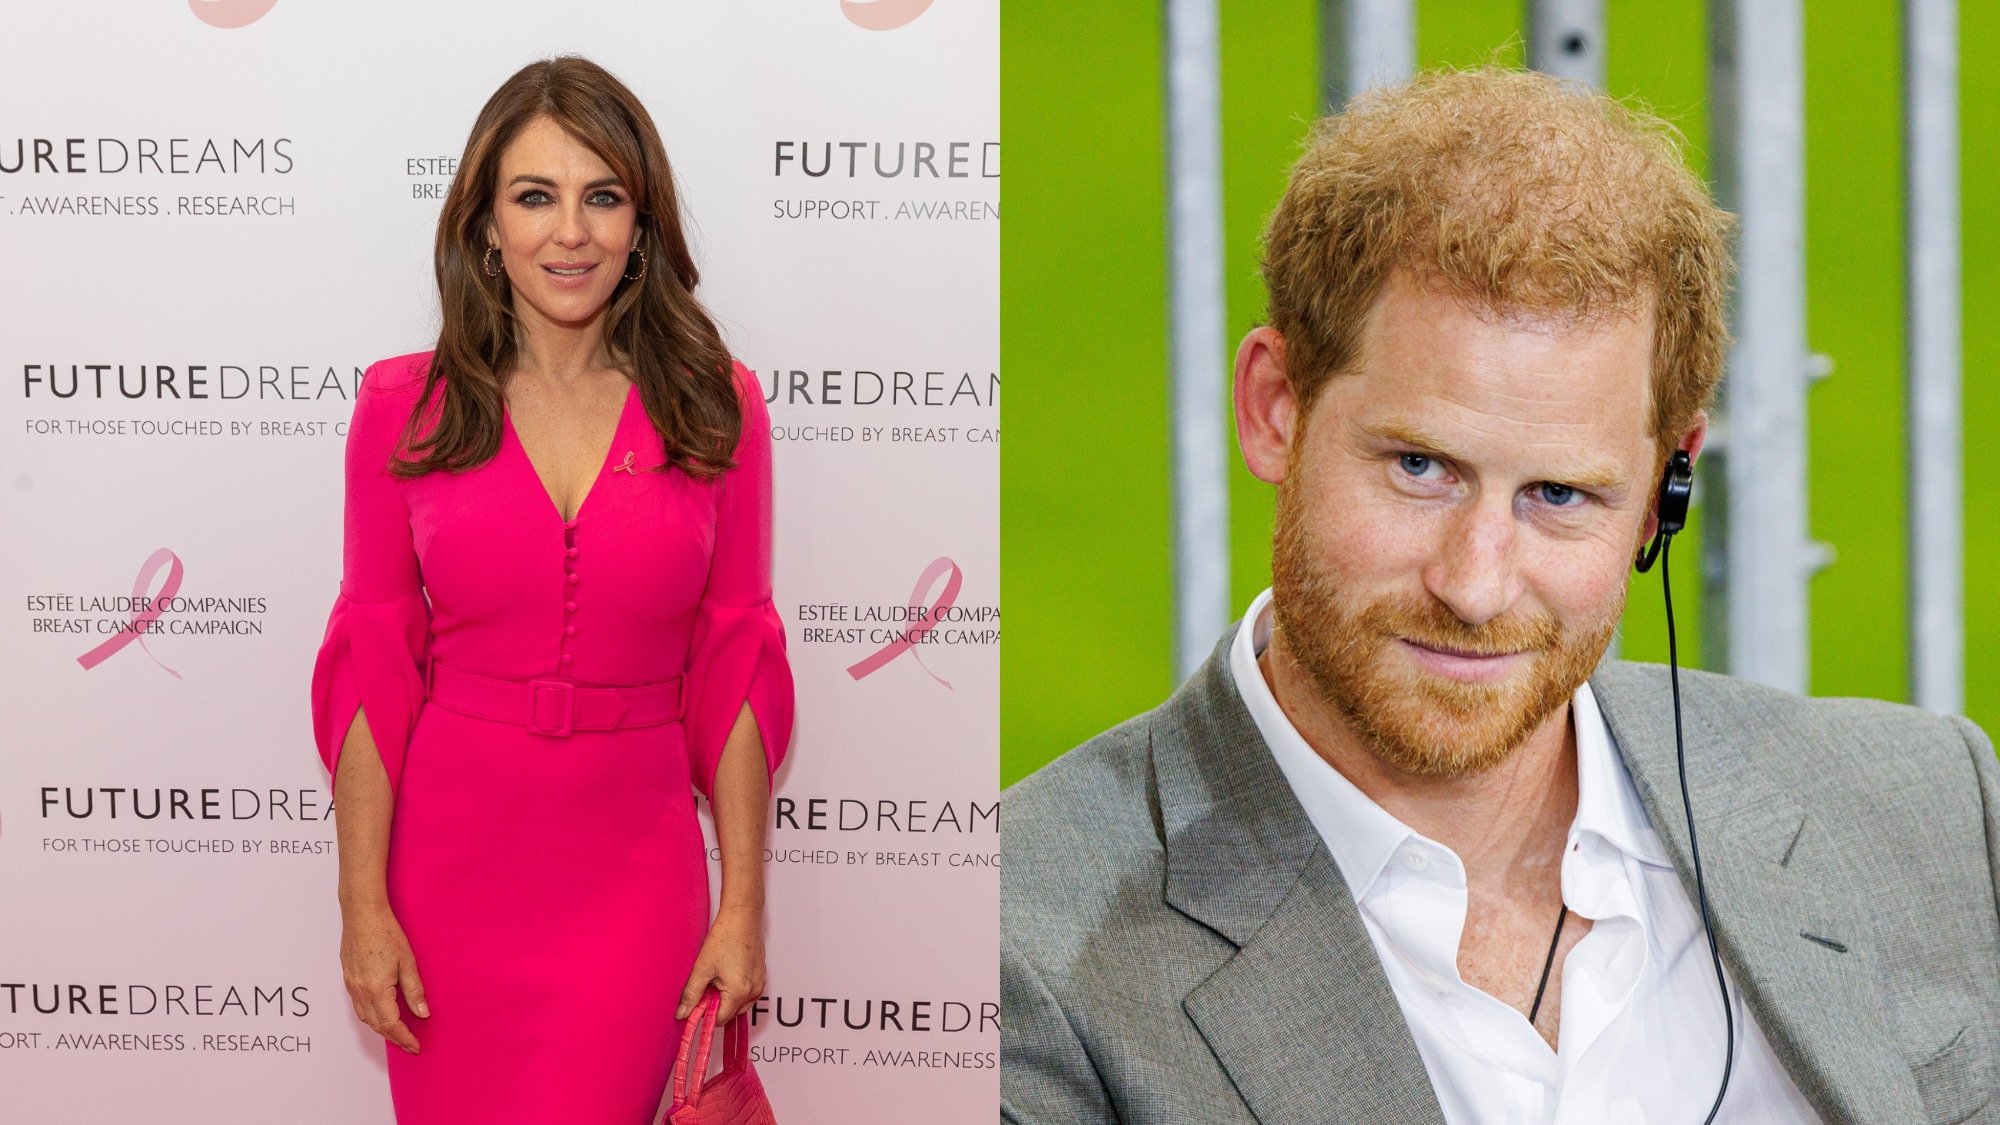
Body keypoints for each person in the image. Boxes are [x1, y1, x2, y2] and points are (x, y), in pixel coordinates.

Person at [1000, 68, 2000, 1125]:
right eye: (1418, 468)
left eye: (1558, 495)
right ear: (1274, 407)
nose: (1473, 584)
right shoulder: (1010, 942)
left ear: (1669, 482)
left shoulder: (1931, 813)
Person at [309, 56, 793, 1123]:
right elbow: (372, 668)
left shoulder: (717, 410)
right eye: (535, 196)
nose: (569, 231)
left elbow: (736, 661)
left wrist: (744, 905)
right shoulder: (403, 409)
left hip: (635, 879)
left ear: (640, 224)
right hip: (448, 879)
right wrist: (360, 906)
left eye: (602, 196)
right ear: (485, 224)